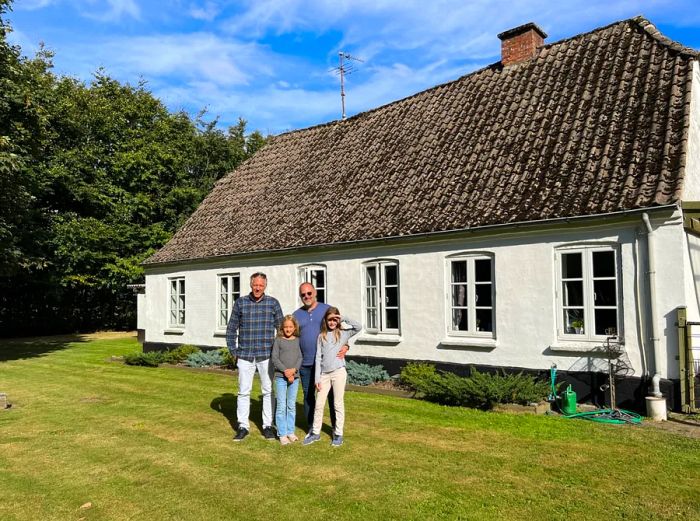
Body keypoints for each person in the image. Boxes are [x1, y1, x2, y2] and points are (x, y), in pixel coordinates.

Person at [226, 272, 283, 442]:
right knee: (243, 392)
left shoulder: (273, 303)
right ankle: (243, 426)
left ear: (265, 286)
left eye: (261, 285)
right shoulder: (240, 303)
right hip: (245, 355)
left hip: (266, 354)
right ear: (251, 285)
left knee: (267, 391)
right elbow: (231, 329)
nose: (258, 288)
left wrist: (278, 353)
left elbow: (281, 330)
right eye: (255, 285)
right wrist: (234, 351)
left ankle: (267, 426)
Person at [293, 283, 349, 432]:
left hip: (325, 364)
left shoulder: (326, 309)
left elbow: (339, 330)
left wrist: (346, 346)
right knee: (308, 397)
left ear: (315, 292)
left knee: (332, 397)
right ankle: (312, 427)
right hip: (305, 364)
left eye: (309, 293)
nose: (306, 296)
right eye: (303, 294)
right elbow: (292, 337)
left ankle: (335, 428)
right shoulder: (296, 315)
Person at [303, 307, 361, 447]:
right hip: (324, 374)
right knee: (319, 404)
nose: (332, 322)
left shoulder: (342, 333)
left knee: (337, 403)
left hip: (338, 372)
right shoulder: (321, 336)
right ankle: (315, 433)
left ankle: (338, 434)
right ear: (325, 320)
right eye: (330, 319)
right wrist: (317, 378)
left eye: (335, 319)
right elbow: (318, 358)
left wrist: (343, 317)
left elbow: (359, 327)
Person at [271, 315, 303, 445]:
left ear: (294, 327)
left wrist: (294, 370)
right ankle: (282, 434)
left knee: (291, 406)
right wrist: (285, 371)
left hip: (294, 378)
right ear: (282, 328)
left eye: (290, 327)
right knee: (281, 406)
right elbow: (275, 358)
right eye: (286, 327)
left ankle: (290, 431)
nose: (288, 329)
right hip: (281, 377)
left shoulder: (298, 340)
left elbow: (300, 357)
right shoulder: (278, 340)